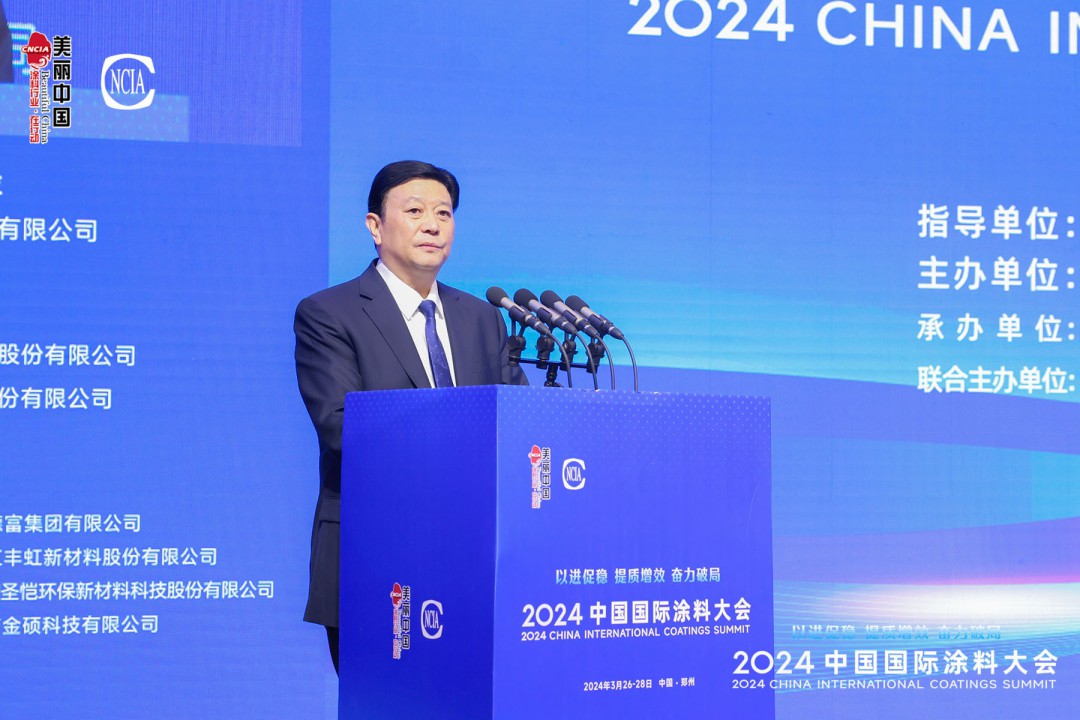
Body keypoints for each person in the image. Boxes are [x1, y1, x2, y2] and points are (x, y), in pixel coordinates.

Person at [293, 160, 527, 672]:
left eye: (444, 213)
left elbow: (520, 422)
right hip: (377, 556)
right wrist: (462, 437)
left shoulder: (482, 318)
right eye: (416, 211)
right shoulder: (329, 314)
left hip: (475, 557)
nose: (433, 225)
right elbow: (343, 426)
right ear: (375, 227)